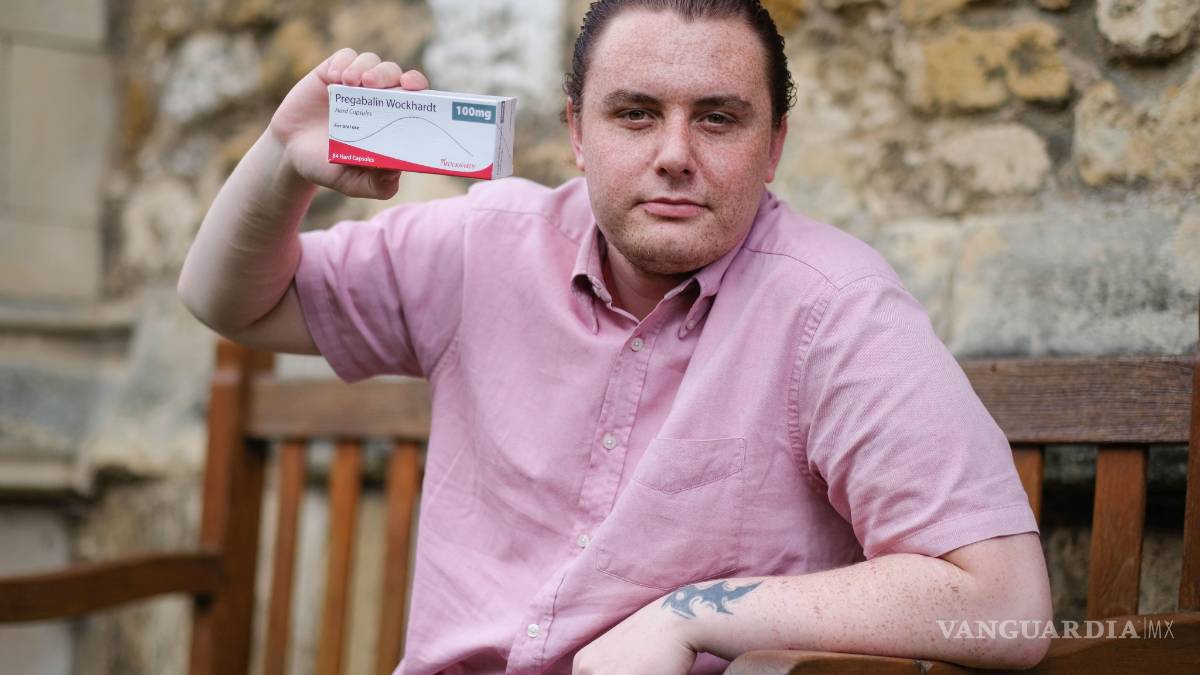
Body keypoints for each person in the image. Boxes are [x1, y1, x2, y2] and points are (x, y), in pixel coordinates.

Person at [178, 1, 1052, 673]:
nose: (674, 153)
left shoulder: (835, 309)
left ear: (774, 144)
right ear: (576, 132)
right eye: (635, 113)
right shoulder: (483, 247)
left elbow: (1006, 602)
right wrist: (282, 160)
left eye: (718, 118)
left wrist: (692, 614)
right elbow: (233, 303)